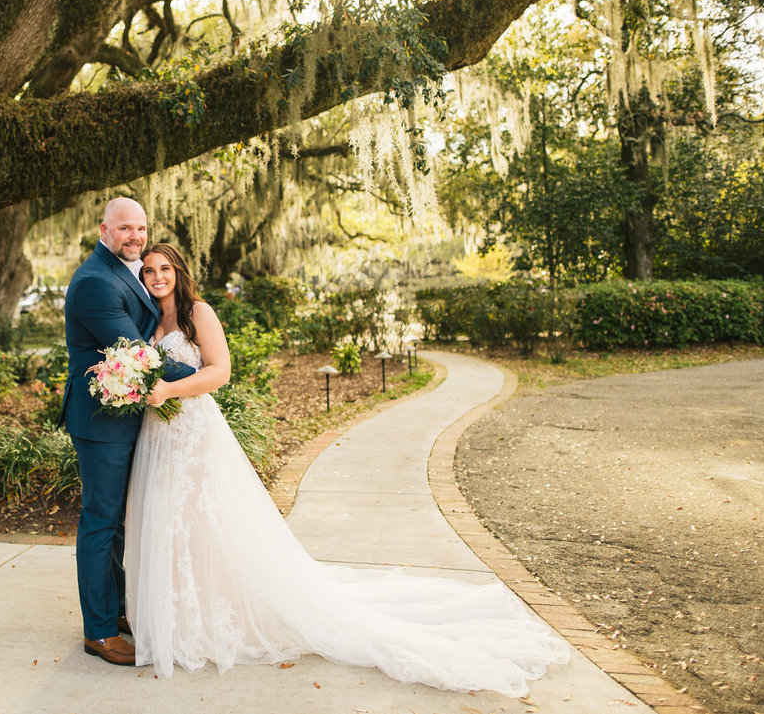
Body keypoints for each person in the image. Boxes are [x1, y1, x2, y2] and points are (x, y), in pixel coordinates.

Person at [125, 243, 571, 695]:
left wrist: (169, 390)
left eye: (164, 269)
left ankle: (208, 619)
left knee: (206, 521)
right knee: (173, 522)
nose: (157, 277)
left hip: (194, 433)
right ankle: (178, 615)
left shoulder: (197, 313)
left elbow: (221, 371)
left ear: (179, 272)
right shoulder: (150, 319)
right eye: (148, 271)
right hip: (160, 435)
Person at [59, 199, 196, 666]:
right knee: (100, 521)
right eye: (125, 229)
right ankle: (98, 632)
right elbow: (140, 353)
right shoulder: (96, 281)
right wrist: (205, 373)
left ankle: (116, 609)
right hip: (102, 423)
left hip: (130, 415)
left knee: (117, 522)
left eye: (140, 228)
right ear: (104, 229)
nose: (135, 237)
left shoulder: (127, 270)